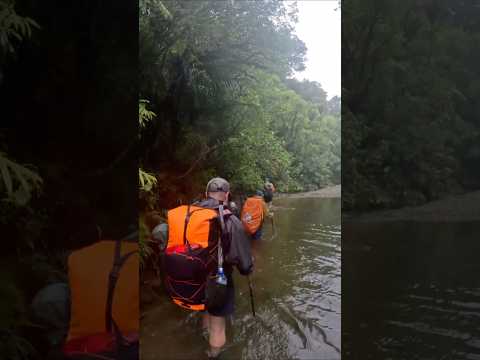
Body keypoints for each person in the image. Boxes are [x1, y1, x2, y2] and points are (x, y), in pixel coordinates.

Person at [161, 177, 253, 359]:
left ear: (205, 194)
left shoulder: (190, 214)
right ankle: (213, 354)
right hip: (218, 281)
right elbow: (243, 262)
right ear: (227, 195)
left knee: (205, 309)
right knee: (218, 327)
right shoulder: (229, 219)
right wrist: (248, 270)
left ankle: (204, 334)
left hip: (194, 279)